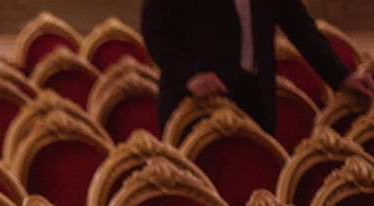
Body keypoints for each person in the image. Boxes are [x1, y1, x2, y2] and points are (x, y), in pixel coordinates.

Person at [141, 0, 374, 134]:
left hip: (255, 99)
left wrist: (342, 76)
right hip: (194, 103)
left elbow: (300, 26)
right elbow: (155, 33)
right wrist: (191, 75)